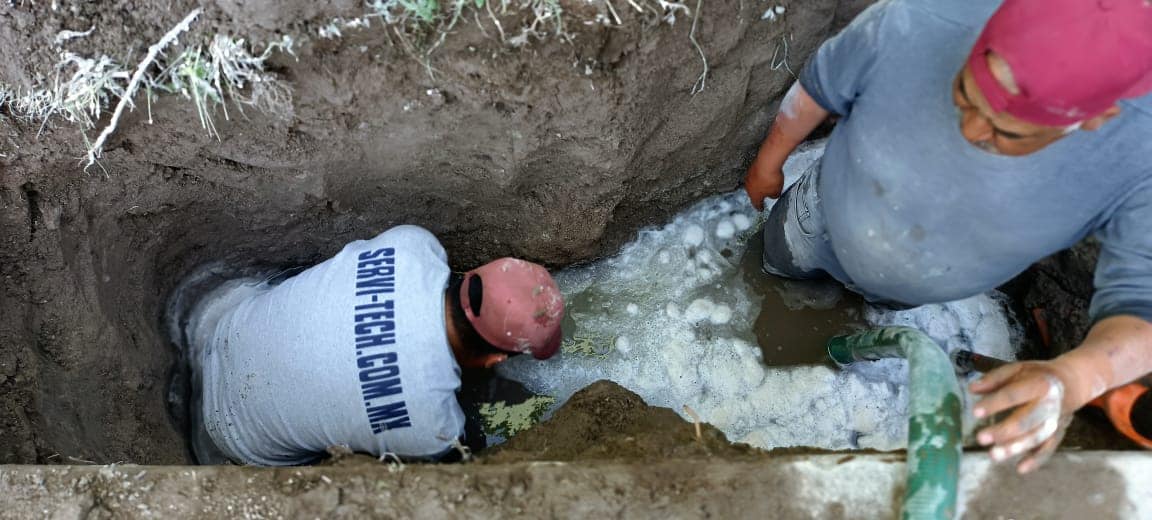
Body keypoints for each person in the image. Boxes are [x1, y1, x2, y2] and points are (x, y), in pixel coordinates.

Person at [744, 0, 1152, 473]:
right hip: (819, 218)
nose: (970, 128)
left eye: (1005, 133)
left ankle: (873, 297)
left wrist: (1076, 377)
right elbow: (819, 87)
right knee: (777, 259)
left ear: (1096, 120)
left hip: (918, 284)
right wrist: (766, 166)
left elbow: (1140, 306)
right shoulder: (924, 17)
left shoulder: (1139, 158)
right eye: (964, 92)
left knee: (881, 296)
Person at [181, 225, 565, 466]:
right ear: (497, 358)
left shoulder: (412, 244)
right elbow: (450, 457)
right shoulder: (433, 428)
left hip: (218, 323)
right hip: (235, 444)